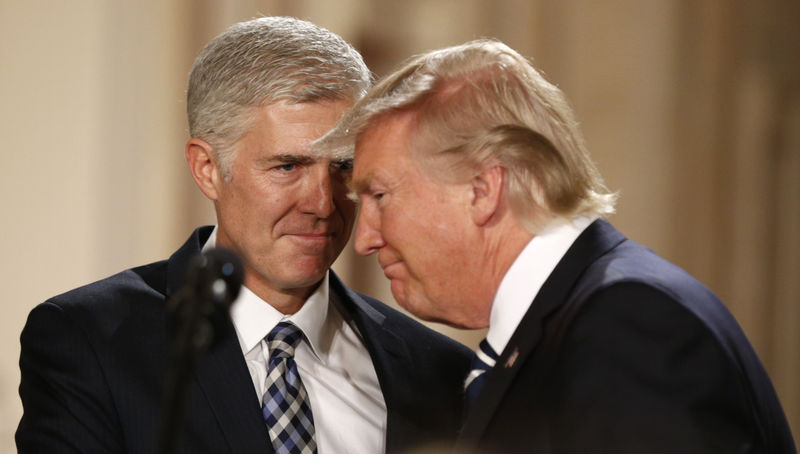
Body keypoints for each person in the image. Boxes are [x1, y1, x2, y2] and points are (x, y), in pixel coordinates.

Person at [317, 39, 797, 453]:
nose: (364, 239)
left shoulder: (627, 326)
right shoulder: (574, 323)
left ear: (483, 189)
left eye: (380, 196)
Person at [16, 17, 472, 454]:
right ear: (208, 168)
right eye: (287, 166)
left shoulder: (439, 371)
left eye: (344, 166)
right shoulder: (91, 341)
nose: (323, 204)